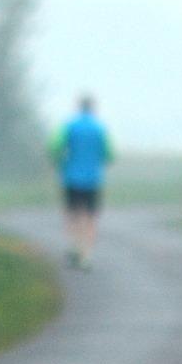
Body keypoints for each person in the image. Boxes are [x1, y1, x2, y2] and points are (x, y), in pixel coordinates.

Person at [49, 95, 115, 269]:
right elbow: (109, 154)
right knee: (90, 217)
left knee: (73, 214)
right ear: (93, 107)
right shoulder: (99, 129)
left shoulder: (69, 126)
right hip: (93, 179)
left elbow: (55, 147)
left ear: (79, 107)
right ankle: (87, 255)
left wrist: (60, 161)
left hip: (71, 177)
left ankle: (74, 247)